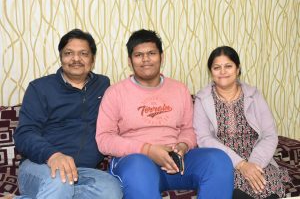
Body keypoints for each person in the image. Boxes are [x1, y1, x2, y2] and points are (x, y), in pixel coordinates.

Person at [95, 29, 234, 199]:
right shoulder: (115, 92)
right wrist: (147, 150)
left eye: (151, 53)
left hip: (176, 162)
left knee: (219, 160)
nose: (146, 59)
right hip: (136, 161)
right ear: (130, 61)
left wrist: (183, 146)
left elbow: (188, 129)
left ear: (162, 56)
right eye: (138, 55)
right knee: (139, 166)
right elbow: (104, 139)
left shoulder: (179, 89)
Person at [13, 29, 122, 199]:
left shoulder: (103, 85)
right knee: (60, 181)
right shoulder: (39, 88)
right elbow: (24, 134)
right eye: (69, 53)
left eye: (83, 54)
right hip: (41, 165)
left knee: (112, 190)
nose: (76, 59)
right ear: (61, 57)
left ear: (92, 59)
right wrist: (52, 155)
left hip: (83, 171)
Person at [193, 46, 290, 199]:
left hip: (257, 158)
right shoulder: (202, 99)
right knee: (229, 186)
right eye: (217, 67)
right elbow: (204, 139)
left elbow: (270, 134)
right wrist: (241, 165)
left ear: (237, 69)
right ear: (211, 72)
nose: (223, 72)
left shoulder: (254, 95)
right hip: (223, 160)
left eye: (228, 66)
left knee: (265, 184)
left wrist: (253, 164)